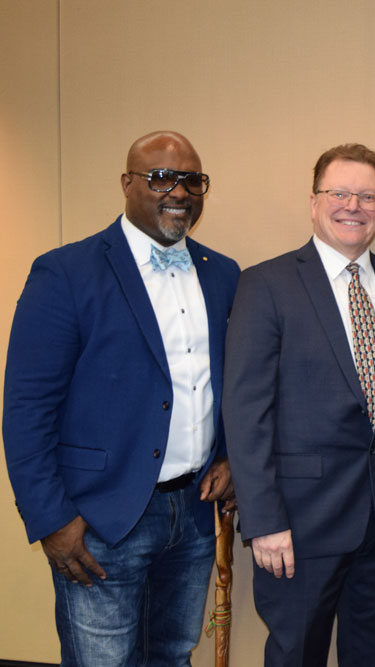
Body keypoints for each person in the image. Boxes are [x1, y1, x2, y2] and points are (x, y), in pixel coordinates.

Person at [3, 131, 239, 665]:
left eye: (191, 180)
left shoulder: (222, 274)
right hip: (100, 520)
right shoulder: (65, 272)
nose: (178, 191)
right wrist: (50, 520)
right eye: (161, 177)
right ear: (127, 184)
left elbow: (227, 381)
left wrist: (229, 455)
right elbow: (26, 409)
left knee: (173, 655)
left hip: (194, 514)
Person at [223, 143, 375, 666]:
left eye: (368, 195)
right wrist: (263, 520)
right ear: (313, 201)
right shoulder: (266, 284)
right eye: (339, 192)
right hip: (297, 527)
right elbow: (245, 412)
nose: (354, 205)